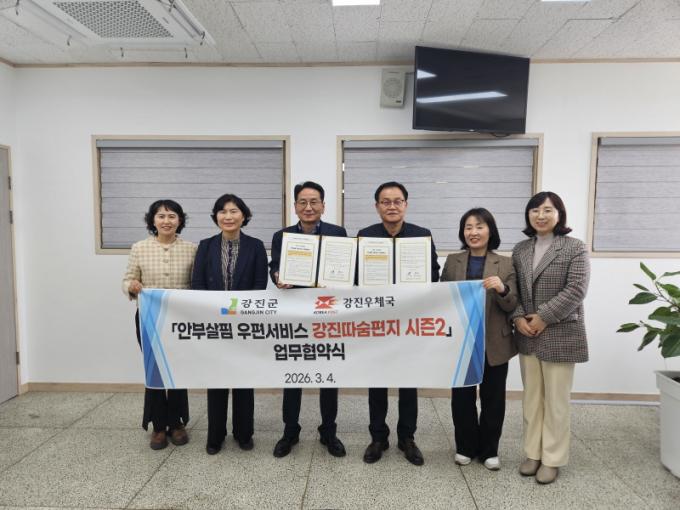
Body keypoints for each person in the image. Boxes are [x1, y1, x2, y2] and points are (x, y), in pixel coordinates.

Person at [357, 181, 440, 466]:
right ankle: (378, 437)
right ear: (377, 206)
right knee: (376, 381)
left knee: (408, 381)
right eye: (385, 201)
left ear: (406, 204)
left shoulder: (421, 235)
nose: (391, 206)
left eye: (397, 201)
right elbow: (356, 277)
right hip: (377, 322)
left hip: (408, 322)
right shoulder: (365, 236)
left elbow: (433, 274)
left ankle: (407, 438)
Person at [511, 191, 590, 484]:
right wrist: (518, 317)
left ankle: (552, 458)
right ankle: (533, 453)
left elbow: (576, 289)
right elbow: (513, 288)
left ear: (559, 214)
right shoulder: (520, 249)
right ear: (528, 215)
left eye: (547, 210)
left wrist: (544, 316)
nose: (540, 216)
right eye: (535, 210)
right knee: (532, 399)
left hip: (559, 331)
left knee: (556, 401)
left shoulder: (574, 247)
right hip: (527, 333)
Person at [269, 181, 347, 458]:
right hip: (296, 314)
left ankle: (329, 431)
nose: (308, 207)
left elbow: (345, 267)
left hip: (327, 313)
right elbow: (275, 266)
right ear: (295, 207)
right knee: (293, 375)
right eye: (302, 202)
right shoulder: (282, 236)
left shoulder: (338, 233)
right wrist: (277, 276)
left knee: (329, 375)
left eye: (314, 201)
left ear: (323, 206)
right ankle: (290, 430)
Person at [440, 208, 518, 471]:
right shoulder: (453, 261)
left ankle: (489, 450)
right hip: (462, 341)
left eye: (479, 226)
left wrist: (502, 288)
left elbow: (512, 304)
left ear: (490, 230)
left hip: (494, 340)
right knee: (461, 398)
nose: (473, 232)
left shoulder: (505, 263)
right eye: (468, 227)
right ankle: (465, 447)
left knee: (493, 398)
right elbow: (442, 297)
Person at [191, 194, 268, 455]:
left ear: (243, 216)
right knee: (217, 380)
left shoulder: (256, 246)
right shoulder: (205, 246)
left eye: (234, 211)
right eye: (222, 212)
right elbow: (198, 284)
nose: (228, 216)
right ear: (216, 217)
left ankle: (244, 433)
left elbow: (260, 285)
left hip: (244, 325)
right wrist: (213, 315)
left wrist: (242, 316)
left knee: (244, 380)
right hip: (215, 325)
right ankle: (215, 436)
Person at [122, 199, 196, 450]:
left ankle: (177, 423)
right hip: (149, 319)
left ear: (180, 220)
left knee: (177, 370)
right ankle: (157, 426)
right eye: (161, 216)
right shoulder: (139, 248)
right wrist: (131, 286)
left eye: (172, 216)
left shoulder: (191, 249)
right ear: (152, 220)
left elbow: (197, 283)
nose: (166, 221)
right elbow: (127, 279)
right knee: (154, 371)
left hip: (180, 320)